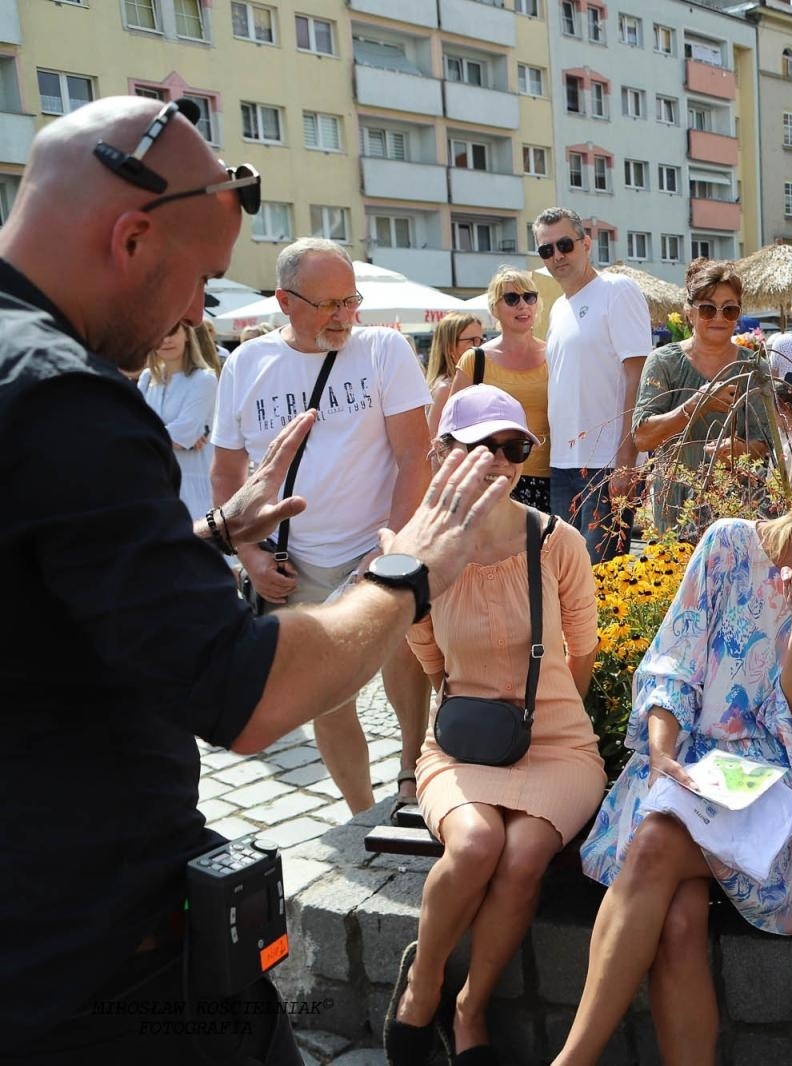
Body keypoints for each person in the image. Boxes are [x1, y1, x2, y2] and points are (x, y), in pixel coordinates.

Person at [0, 94, 505, 1065]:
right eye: (199, 280)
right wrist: (410, 570)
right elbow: (249, 695)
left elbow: (42, 579)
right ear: (133, 237)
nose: (197, 312)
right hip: (99, 966)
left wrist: (204, 534)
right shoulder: (69, 398)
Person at [556, 426, 792, 1065]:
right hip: (688, 764)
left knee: (659, 842)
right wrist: (663, 754)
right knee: (679, 921)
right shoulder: (728, 544)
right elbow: (675, 658)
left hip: (779, 793)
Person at [386, 385, 605, 1066]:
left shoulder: (555, 542)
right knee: (478, 843)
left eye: (515, 447)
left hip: (558, 742)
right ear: (442, 454)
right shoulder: (420, 551)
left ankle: (469, 1007)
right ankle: (422, 984)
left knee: (521, 857)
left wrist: (535, 717)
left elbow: (583, 652)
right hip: (461, 742)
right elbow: (427, 658)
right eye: (483, 446)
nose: (501, 461)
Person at [212, 237, 434, 813]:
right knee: (328, 698)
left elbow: (416, 454)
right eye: (329, 304)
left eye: (350, 300)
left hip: (376, 544)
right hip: (293, 562)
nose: (345, 316)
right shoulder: (245, 363)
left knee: (404, 664)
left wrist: (392, 546)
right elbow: (227, 472)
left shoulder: (385, 349)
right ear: (285, 301)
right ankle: (362, 813)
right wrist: (252, 557)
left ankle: (410, 781)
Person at [534, 206, 651, 562]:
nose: (557, 256)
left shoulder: (617, 290)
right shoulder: (557, 309)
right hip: (564, 463)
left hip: (606, 464)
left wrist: (626, 461)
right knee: (566, 574)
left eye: (565, 244)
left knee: (599, 579)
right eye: (546, 250)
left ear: (587, 243)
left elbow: (640, 375)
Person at [632, 258, 779, 538]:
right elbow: (643, 437)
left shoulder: (753, 366)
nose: (719, 318)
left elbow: (766, 444)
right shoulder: (664, 362)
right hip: (678, 503)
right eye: (708, 309)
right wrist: (697, 404)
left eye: (730, 310)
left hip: (739, 505)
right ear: (689, 312)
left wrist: (739, 449)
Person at [450, 268, 552, 511]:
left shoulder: (554, 353)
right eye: (511, 298)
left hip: (552, 477)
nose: (523, 305)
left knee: (544, 548)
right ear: (494, 308)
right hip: (491, 474)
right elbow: (451, 425)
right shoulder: (476, 359)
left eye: (529, 297)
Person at [138, 321, 219, 520]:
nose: (166, 340)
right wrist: (170, 437)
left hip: (193, 486)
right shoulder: (148, 378)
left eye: (172, 332)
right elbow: (132, 424)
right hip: (153, 482)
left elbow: (184, 433)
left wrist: (145, 436)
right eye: (160, 332)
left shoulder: (204, 379)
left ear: (187, 335)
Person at [422, 310, 485, 436]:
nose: (478, 347)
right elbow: (433, 442)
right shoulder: (446, 388)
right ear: (450, 347)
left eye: (481, 340)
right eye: (472, 340)